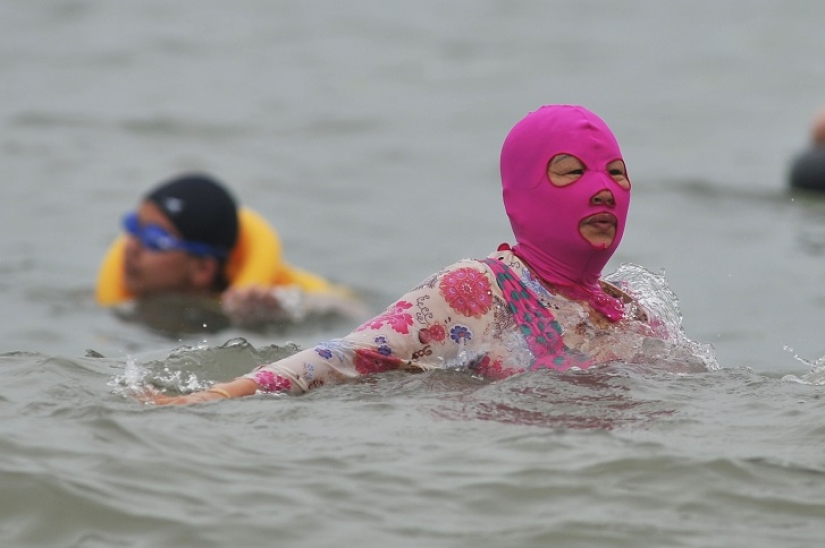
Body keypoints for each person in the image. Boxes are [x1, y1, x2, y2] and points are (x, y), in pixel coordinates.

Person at [148, 104, 676, 405]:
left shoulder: (630, 309)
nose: (604, 189)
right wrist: (212, 398)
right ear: (524, 194)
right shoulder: (481, 290)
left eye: (617, 173)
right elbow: (350, 356)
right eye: (572, 172)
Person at [96, 173, 361, 330]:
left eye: (155, 239)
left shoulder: (245, 304)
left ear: (202, 270)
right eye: (134, 227)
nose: (131, 246)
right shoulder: (118, 303)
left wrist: (283, 306)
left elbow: (352, 311)